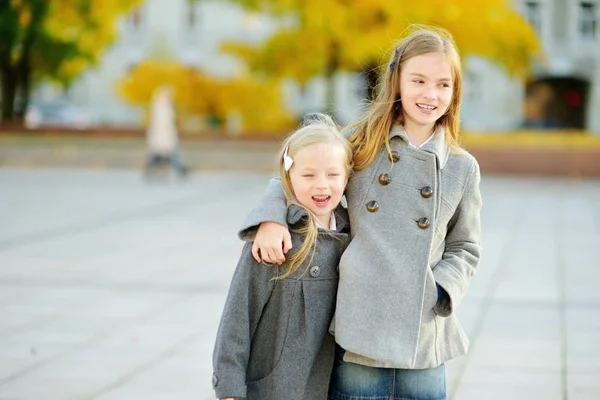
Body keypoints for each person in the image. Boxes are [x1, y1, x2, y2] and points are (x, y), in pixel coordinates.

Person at [239, 25, 482, 400]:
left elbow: (465, 246)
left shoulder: (462, 168)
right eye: (418, 80)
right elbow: (299, 178)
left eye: (443, 84)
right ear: (396, 81)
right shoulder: (361, 145)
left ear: (455, 91)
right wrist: (271, 218)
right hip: (360, 337)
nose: (430, 94)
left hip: (424, 340)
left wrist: (440, 291)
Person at [212, 114, 354, 400]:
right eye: (309, 175)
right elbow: (239, 313)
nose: (322, 185)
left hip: (332, 385)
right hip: (274, 387)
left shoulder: (353, 232)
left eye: (332, 174)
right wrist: (229, 386)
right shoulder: (275, 241)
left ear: (348, 175)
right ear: (289, 176)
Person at [144, 85, 188, 178]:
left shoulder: (167, 106)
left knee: (168, 154)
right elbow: (159, 124)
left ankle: (180, 170)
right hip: (161, 136)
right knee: (160, 154)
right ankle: (180, 170)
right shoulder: (159, 106)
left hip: (167, 136)